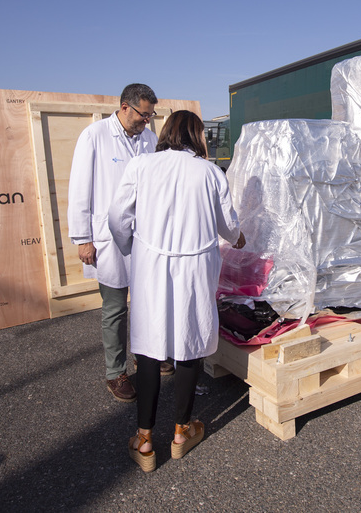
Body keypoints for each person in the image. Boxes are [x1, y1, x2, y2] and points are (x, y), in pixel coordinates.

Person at [108, 110, 245, 472]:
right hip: (195, 267)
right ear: (199, 136)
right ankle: (182, 432)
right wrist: (239, 237)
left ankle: (145, 439)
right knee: (190, 341)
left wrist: (130, 247)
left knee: (150, 346)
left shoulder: (141, 165)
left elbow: (118, 217)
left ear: (166, 132)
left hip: (151, 265)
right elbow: (228, 224)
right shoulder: (210, 172)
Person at [67, 83, 161, 403]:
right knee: (115, 308)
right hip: (107, 240)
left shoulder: (149, 140)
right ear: (124, 107)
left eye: (150, 116)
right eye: (142, 115)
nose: (146, 121)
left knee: (147, 303)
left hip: (145, 236)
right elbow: (80, 189)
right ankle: (115, 372)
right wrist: (83, 239)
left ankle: (145, 357)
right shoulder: (94, 136)